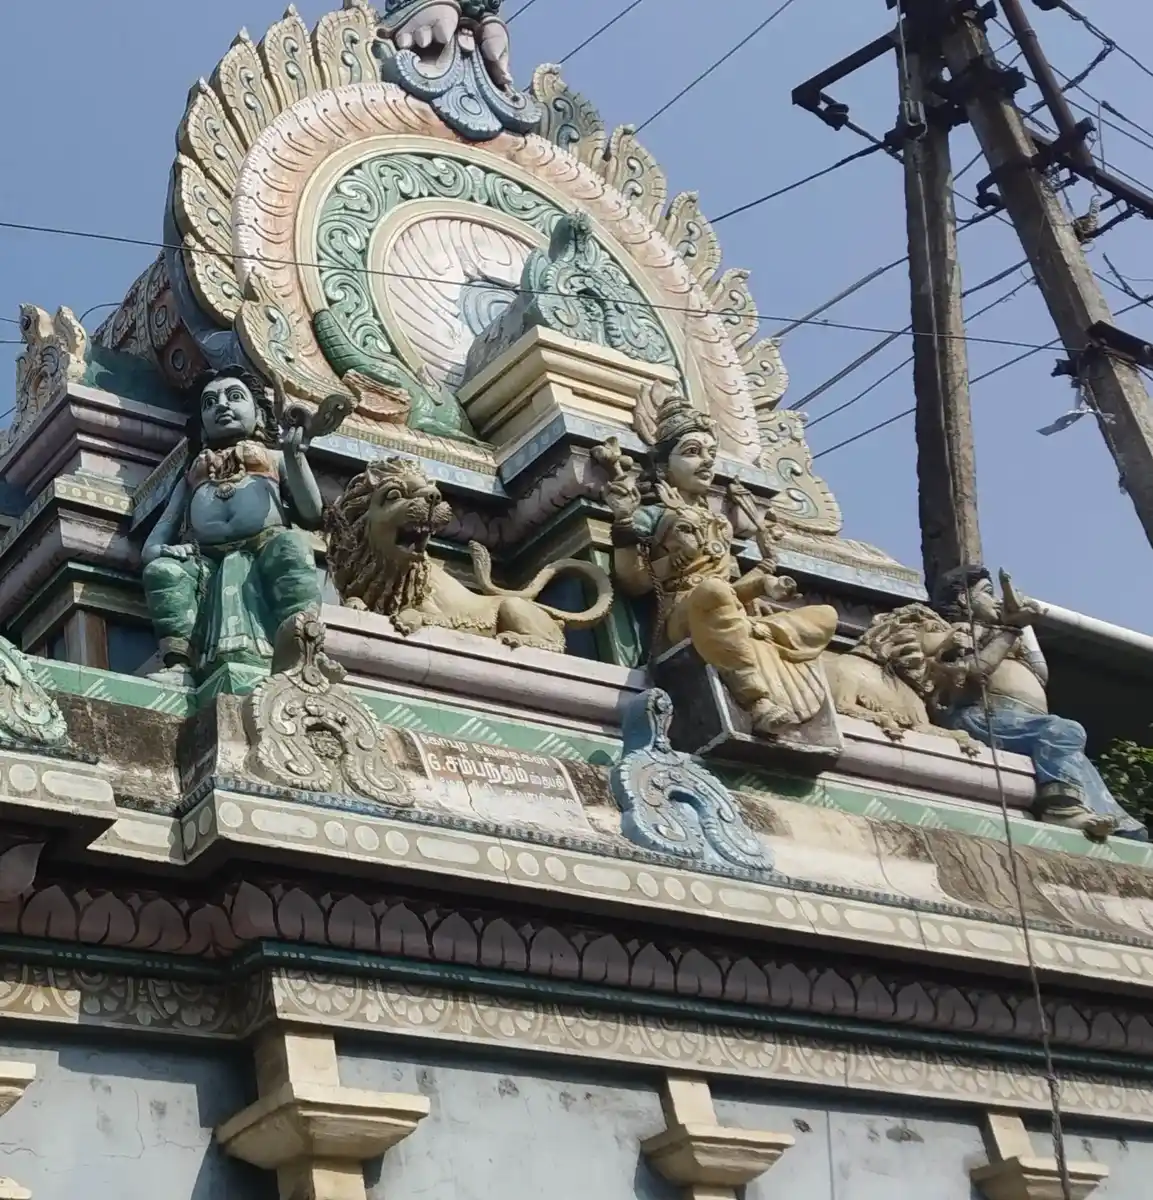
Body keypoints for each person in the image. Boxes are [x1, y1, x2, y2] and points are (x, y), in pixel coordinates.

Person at [602, 392, 837, 736]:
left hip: (724, 611)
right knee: (713, 592)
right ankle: (757, 702)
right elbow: (633, 581)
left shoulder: (722, 523)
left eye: (711, 453)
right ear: (663, 465)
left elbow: (730, 592)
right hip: (679, 617)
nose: (707, 462)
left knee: (825, 615)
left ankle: (761, 655)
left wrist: (763, 584)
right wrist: (629, 526)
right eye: (693, 452)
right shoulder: (652, 514)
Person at [928, 565, 1146, 841]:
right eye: (988, 593)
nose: (996, 600)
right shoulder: (958, 632)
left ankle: (1118, 825)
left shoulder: (1003, 633)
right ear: (963, 599)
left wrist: (1024, 626)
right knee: (1063, 731)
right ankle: (1061, 809)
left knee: (1075, 760)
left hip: (1026, 724)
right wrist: (1012, 627)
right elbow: (975, 669)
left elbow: (1041, 672)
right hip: (980, 716)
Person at [141, 368, 324, 683]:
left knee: (294, 547)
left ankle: (302, 652)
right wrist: (169, 551)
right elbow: (152, 546)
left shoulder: (274, 458)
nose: (221, 405)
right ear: (201, 425)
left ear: (260, 415)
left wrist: (294, 456)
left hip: (268, 549)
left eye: (235, 397)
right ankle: (180, 664)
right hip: (205, 563)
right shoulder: (193, 476)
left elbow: (312, 511)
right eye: (210, 402)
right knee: (162, 571)